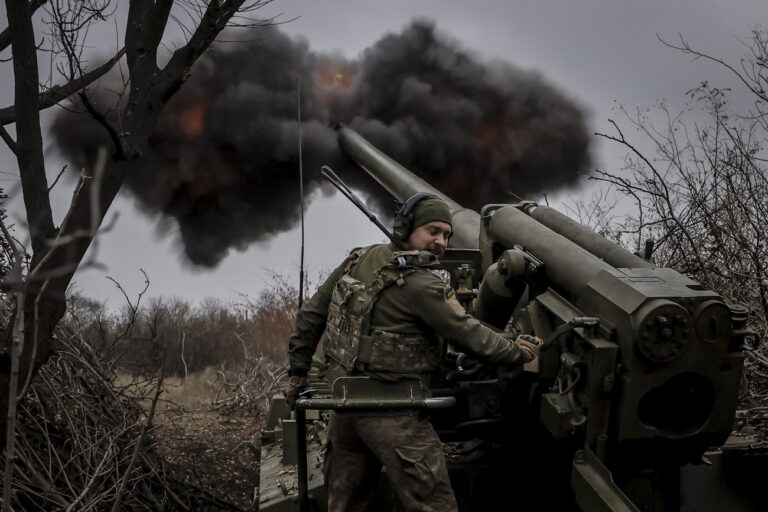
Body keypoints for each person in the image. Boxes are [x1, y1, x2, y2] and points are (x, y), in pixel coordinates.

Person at [286, 193, 541, 512]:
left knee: (345, 505)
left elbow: (311, 315)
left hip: (345, 409)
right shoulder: (422, 284)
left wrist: (297, 372)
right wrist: (518, 351)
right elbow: (468, 335)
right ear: (405, 228)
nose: (441, 242)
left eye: (446, 235)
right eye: (432, 231)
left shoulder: (358, 259)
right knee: (435, 506)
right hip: (396, 414)